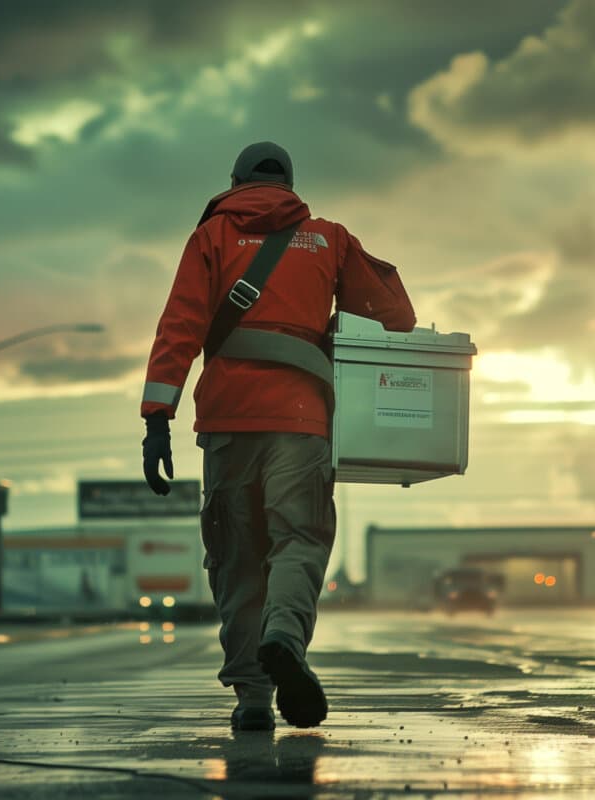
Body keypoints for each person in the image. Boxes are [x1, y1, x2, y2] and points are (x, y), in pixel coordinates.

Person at [139, 141, 416, 731]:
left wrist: (156, 418)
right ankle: (285, 636)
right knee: (299, 539)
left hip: (228, 421)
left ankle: (252, 699)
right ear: (290, 186)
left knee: (237, 559)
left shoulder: (211, 238)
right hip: (300, 418)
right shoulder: (328, 238)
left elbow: (179, 325)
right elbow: (396, 318)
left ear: (234, 181)